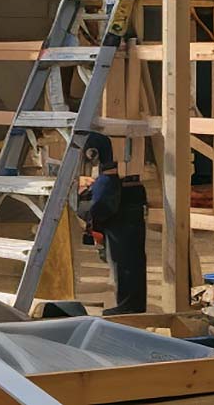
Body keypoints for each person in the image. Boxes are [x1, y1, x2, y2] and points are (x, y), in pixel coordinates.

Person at [78, 133, 148, 315]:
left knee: (127, 259)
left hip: (124, 197)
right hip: (120, 191)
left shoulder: (107, 173)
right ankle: (129, 306)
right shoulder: (104, 174)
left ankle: (130, 308)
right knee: (122, 259)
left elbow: (101, 206)